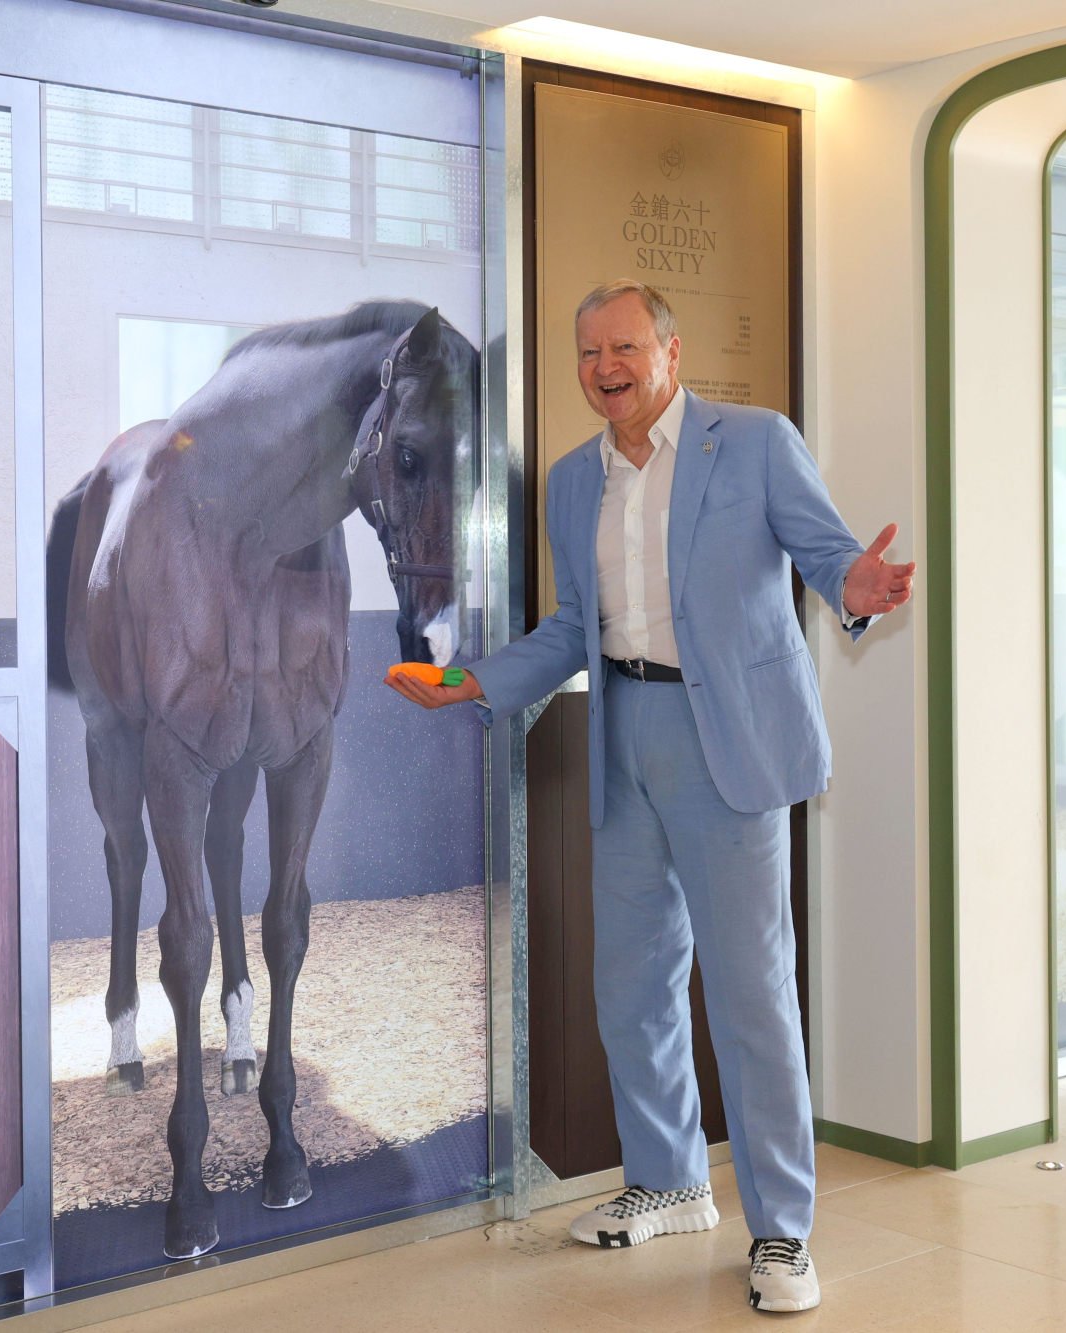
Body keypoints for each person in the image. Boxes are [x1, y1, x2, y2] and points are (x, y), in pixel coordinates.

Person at [385, 279, 915, 1314]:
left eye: (622, 346)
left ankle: (781, 1232)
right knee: (632, 983)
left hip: (731, 745)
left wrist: (852, 588)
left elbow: (823, 557)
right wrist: (468, 682)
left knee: (752, 995)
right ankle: (670, 1181)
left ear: (670, 351)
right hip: (623, 734)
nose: (604, 368)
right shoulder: (572, 481)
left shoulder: (754, 441)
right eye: (587, 353)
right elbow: (568, 626)